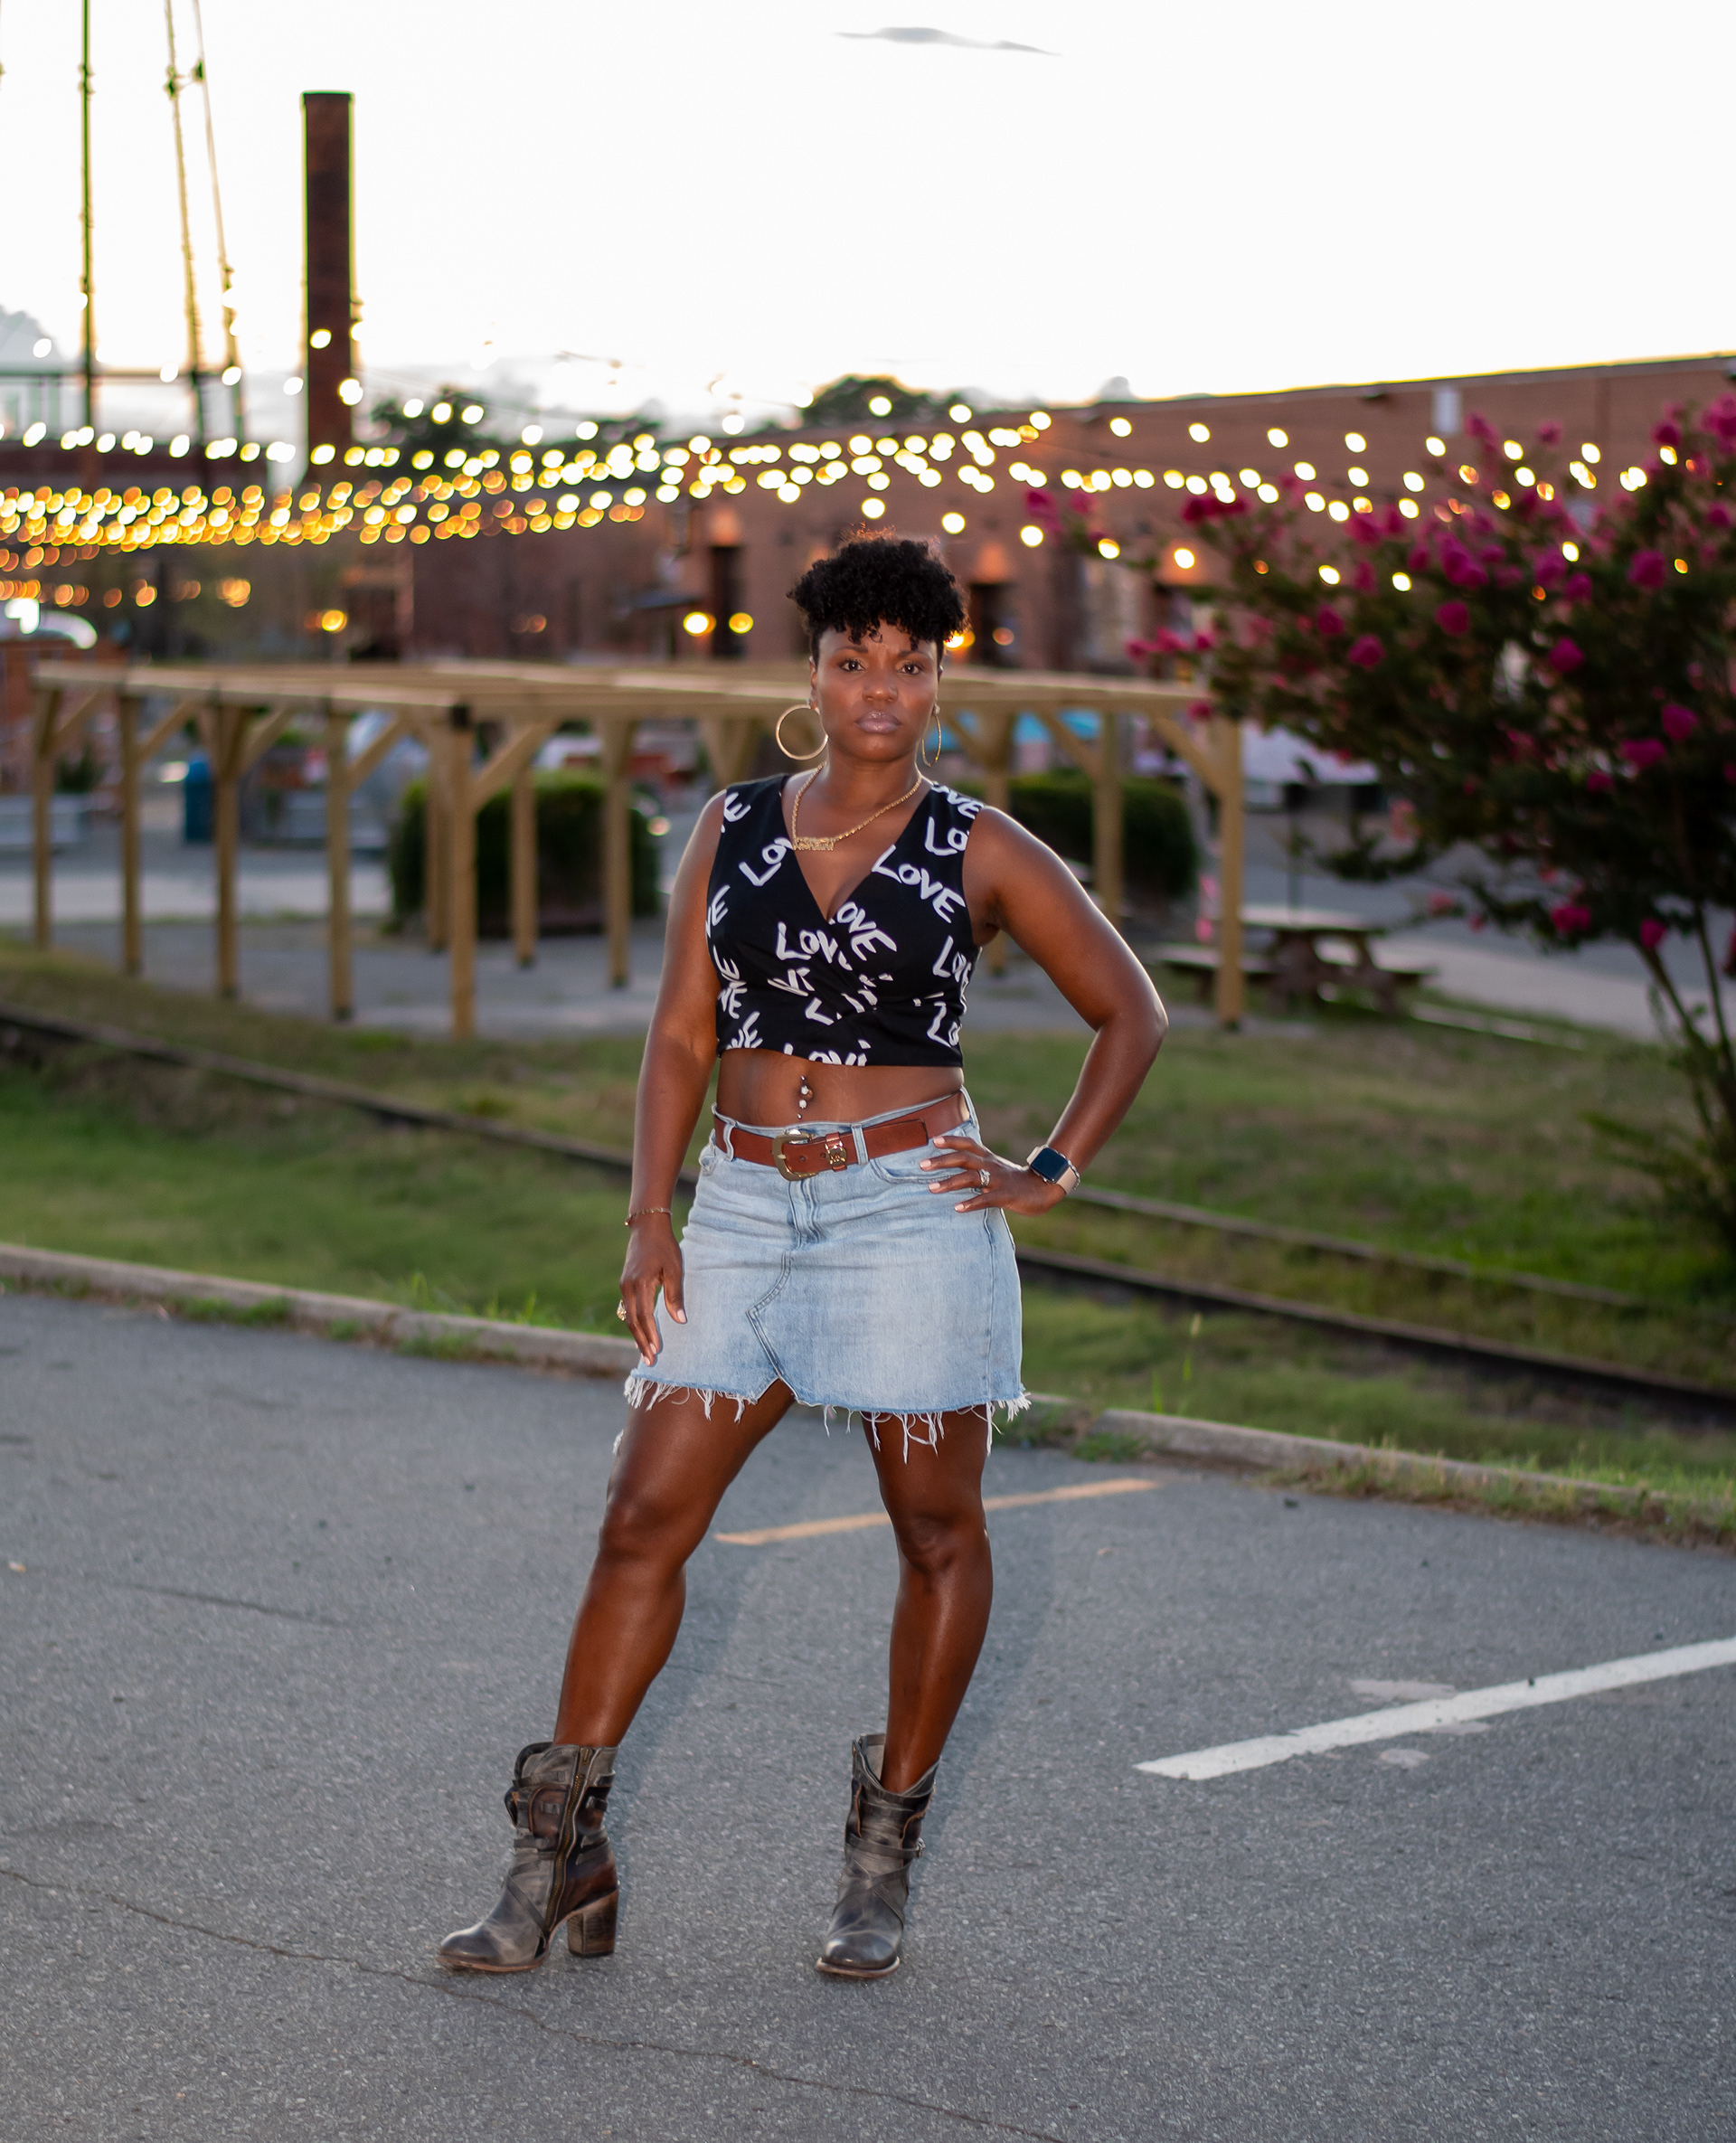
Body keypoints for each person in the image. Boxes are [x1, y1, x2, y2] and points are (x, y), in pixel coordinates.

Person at [439, 535, 1166, 1981]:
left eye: (909, 664)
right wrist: (649, 1213)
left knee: (936, 1529)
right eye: (852, 661)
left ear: (940, 681)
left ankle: (881, 1854)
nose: (879, 688)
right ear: (814, 674)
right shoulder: (731, 824)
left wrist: (1051, 1167)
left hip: (910, 1211)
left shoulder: (982, 847)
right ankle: (558, 1851)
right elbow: (679, 1035)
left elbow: (1130, 1010)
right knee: (642, 1513)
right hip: (743, 1208)